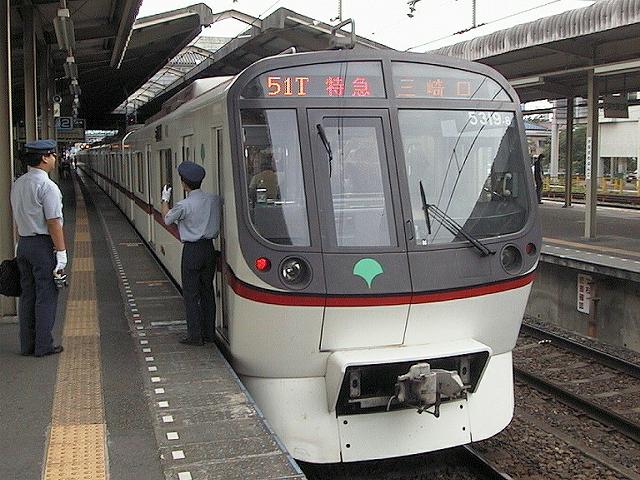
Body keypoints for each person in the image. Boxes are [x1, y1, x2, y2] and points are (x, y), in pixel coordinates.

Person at [10, 139, 66, 357]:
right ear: (44, 158)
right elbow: (53, 223)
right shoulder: (47, 187)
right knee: (46, 294)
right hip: (42, 246)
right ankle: (44, 345)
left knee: (27, 295)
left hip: (24, 243)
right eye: (52, 155)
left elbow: (17, 216)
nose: (55, 158)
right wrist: (61, 253)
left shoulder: (18, 184)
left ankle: (27, 345)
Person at [160, 162, 222, 346]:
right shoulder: (214, 199)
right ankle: (209, 334)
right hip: (209, 249)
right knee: (207, 291)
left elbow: (167, 219)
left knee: (191, 294)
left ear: (183, 183)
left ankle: (195, 336)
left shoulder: (184, 205)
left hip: (192, 251)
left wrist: (165, 200)